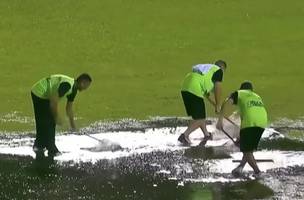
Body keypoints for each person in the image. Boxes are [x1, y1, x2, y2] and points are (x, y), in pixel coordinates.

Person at [31, 73, 92, 157]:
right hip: (39, 92)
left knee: (44, 120)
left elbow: (69, 109)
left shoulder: (73, 90)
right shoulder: (67, 85)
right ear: (83, 82)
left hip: (45, 94)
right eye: (87, 86)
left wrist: (72, 125)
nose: (86, 88)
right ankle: (52, 149)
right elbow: (53, 102)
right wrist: (56, 117)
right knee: (49, 121)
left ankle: (39, 145)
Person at [216, 81, 268, 176]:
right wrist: (241, 136)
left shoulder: (239, 93)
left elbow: (226, 103)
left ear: (241, 88)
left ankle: (258, 172)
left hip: (250, 122)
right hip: (262, 122)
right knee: (249, 148)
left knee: (246, 151)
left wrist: (220, 121)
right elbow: (245, 117)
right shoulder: (256, 96)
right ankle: (240, 167)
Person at [178, 60, 227, 145]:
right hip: (194, 88)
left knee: (199, 116)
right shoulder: (218, 70)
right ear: (222, 68)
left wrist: (215, 105)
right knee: (201, 118)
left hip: (185, 87)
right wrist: (218, 105)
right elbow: (217, 88)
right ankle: (185, 135)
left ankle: (206, 134)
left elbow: (207, 95)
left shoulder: (207, 70)